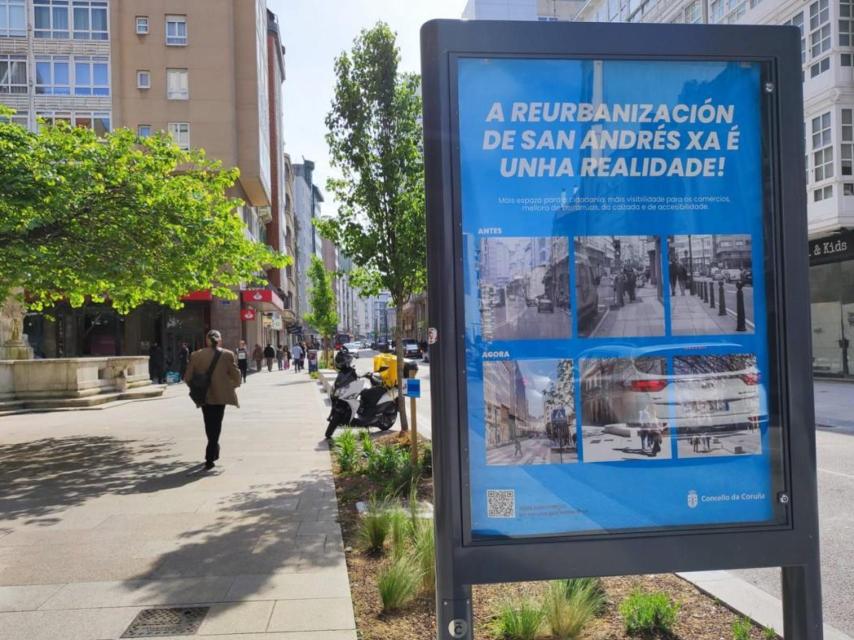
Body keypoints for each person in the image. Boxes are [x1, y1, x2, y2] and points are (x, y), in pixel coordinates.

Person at [183, 330, 241, 470]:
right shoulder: (227, 354)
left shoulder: (196, 355)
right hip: (220, 395)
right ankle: (211, 454)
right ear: (219, 340)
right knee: (217, 423)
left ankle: (212, 450)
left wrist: (196, 388)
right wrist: (231, 385)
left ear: (206, 340)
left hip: (204, 395)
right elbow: (236, 375)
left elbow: (187, 377)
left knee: (209, 423)